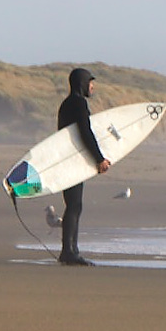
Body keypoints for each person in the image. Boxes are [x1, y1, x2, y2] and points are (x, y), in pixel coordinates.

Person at [55, 67, 110, 265]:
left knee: (74, 204)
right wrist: (99, 158)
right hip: (71, 161)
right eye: (90, 82)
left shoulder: (67, 104)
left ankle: (71, 249)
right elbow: (85, 132)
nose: (93, 86)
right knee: (74, 205)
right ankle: (68, 252)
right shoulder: (78, 103)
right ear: (82, 83)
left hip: (67, 159)